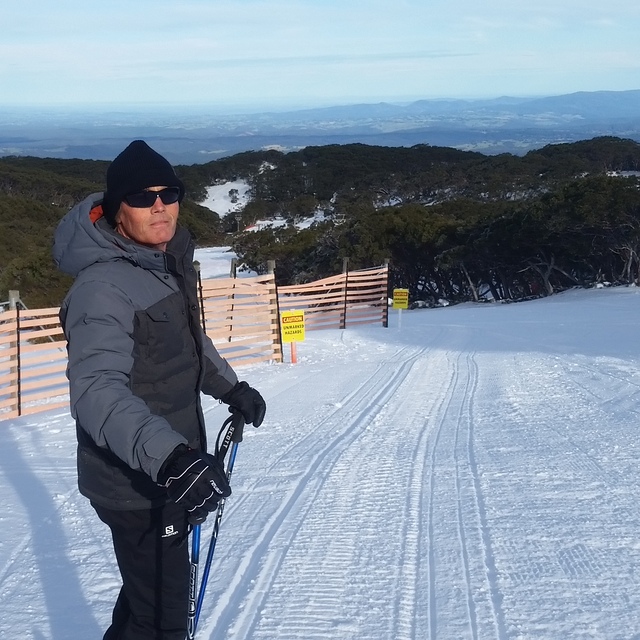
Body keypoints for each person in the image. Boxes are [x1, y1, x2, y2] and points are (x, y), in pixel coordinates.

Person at [52, 140, 266, 639]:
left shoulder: (162, 262)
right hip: (138, 482)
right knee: (163, 620)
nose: (159, 206)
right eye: (142, 197)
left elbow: (189, 342)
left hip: (169, 469)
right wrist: (172, 459)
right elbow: (95, 391)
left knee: (147, 599)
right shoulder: (102, 287)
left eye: (169, 193)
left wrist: (232, 389)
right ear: (114, 210)